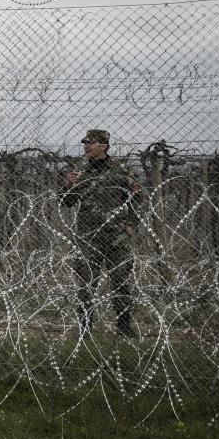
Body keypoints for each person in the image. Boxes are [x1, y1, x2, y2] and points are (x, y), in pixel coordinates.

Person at [60, 129, 142, 338]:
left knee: (121, 282)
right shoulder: (80, 172)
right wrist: (68, 186)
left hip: (116, 236)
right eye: (85, 143)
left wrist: (131, 224)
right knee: (86, 284)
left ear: (104, 146)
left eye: (91, 143)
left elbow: (138, 198)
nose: (86, 146)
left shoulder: (121, 171)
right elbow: (67, 202)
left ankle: (124, 328)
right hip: (88, 237)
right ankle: (85, 329)